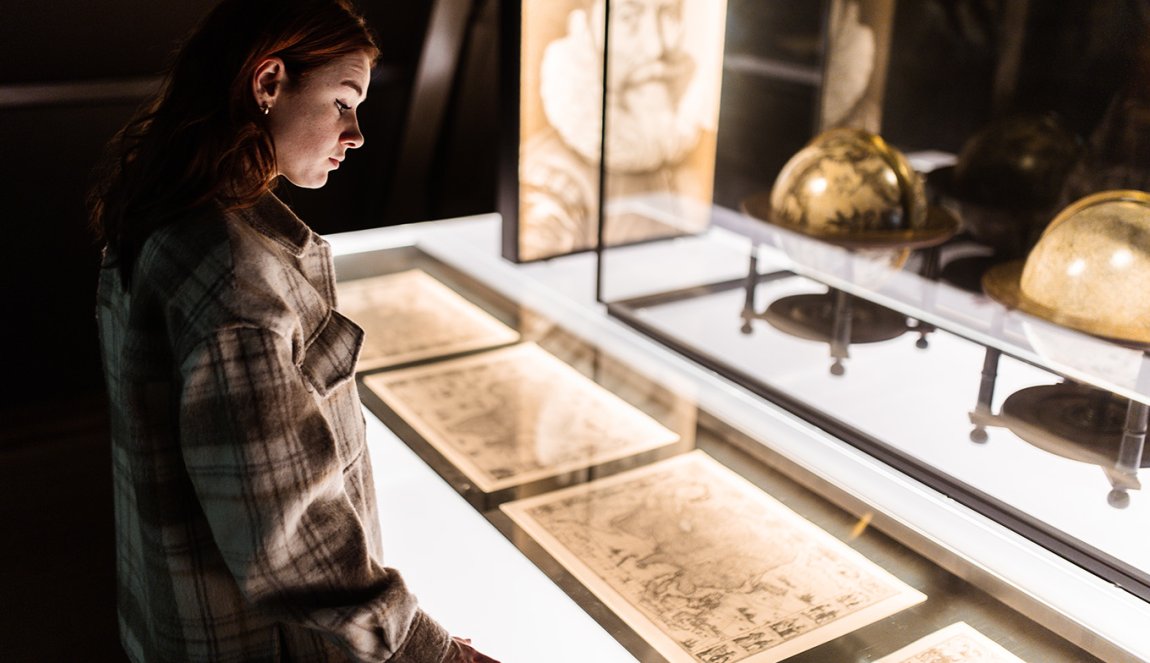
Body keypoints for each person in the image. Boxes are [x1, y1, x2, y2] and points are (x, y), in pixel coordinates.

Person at [88, 1, 498, 661]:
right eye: (342, 101)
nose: (356, 133)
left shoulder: (160, 218)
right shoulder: (235, 282)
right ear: (269, 82)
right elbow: (290, 541)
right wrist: (428, 650)